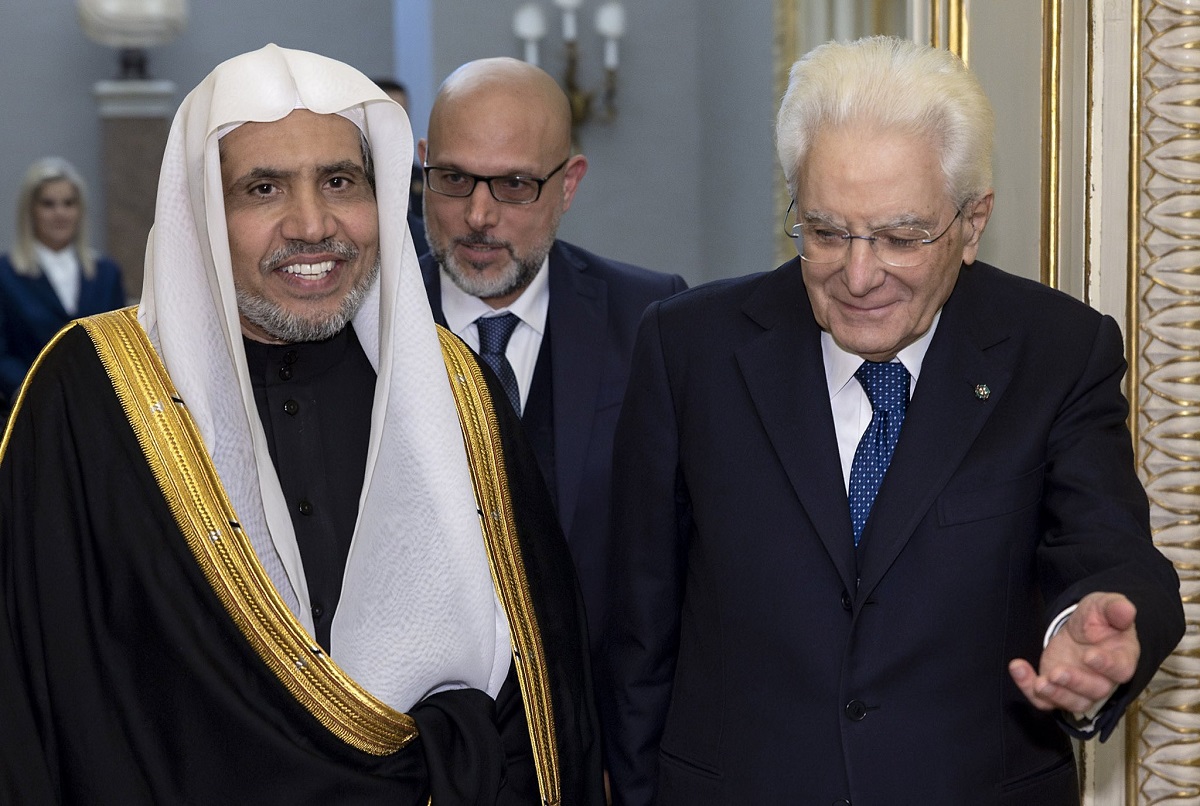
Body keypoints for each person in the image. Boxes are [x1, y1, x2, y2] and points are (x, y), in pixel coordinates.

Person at [0, 44, 603, 805]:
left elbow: (544, 690)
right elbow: (32, 694)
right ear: (204, 213)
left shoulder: (457, 392)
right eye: (263, 188)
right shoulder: (90, 394)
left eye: (340, 181)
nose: (313, 224)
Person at [603, 35, 1183, 805]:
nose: (858, 274)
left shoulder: (1057, 352)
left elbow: (1110, 555)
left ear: (972, 223)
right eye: (826, 232)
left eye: (901, 238)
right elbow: (637, 635)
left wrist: (1096, 628)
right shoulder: (688, 349)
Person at [417, 57, 686, 668]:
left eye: (514, 185)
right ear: (424, 165)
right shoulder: (364, 315)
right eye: (454, 178)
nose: (479, 216)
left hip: (587, 708)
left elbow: (670, 564)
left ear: (568, 184)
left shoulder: (649, 319)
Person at [0, 157, 125, 402]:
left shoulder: (107, 273)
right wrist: (32, 392)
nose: (60, 213)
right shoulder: (5, 274)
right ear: (30, 210)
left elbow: (118, 345)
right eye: (48, 204)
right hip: (30, 405)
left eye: (69, 203)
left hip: (97, 404)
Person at [372, 76, 429, 256]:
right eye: (387, 117)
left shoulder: (425, 179)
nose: (396, 126)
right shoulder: (348, 181)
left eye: (402, 116)